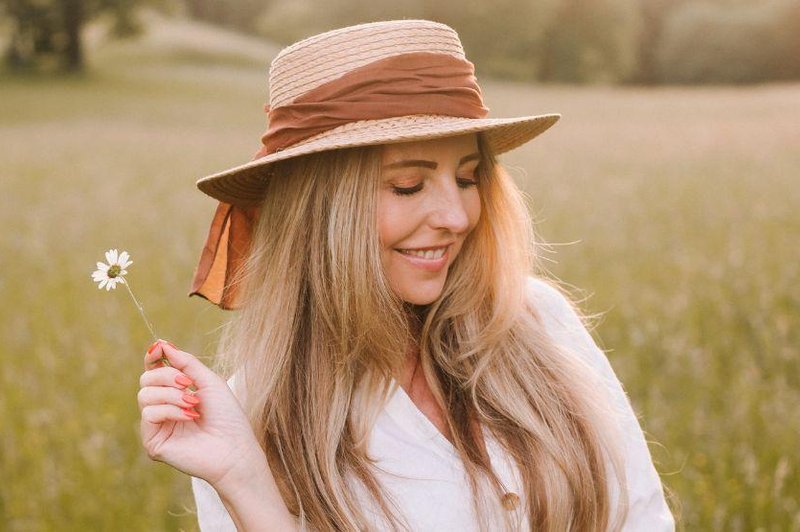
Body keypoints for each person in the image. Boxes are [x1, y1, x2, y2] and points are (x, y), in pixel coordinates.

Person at [136, 19, 675, 531]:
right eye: (408, 186)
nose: (458, 216)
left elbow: (642, 516)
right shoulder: (247, 421)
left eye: (468, 177)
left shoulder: (536, 319)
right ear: (321, 212)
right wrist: (244, 480)